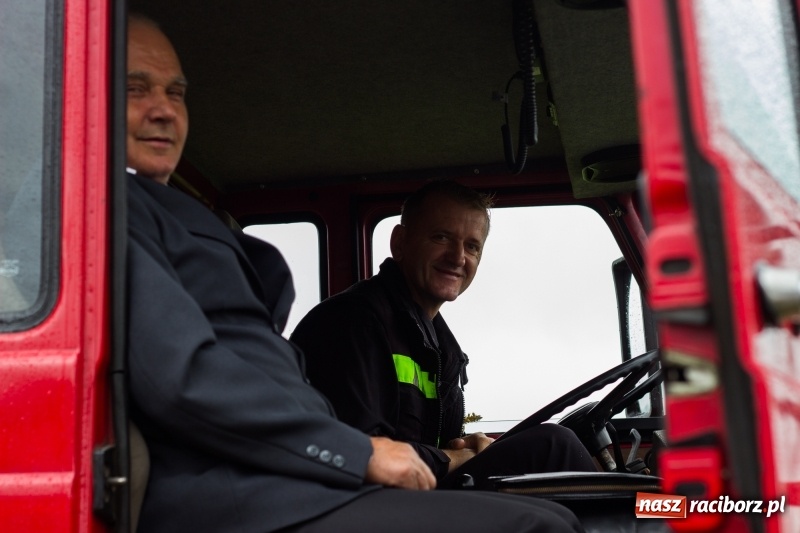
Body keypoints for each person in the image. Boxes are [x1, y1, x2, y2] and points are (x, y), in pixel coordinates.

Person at [123, 13, 585, 533]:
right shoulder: (110, 217)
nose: (164, 110)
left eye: (176, 93)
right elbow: (182, 377)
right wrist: (354, 451)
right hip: (252, 493)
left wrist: (457, 449)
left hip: (298, 478)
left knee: (556, 481)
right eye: (136, 89)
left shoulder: (171, 218)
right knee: (545, 524)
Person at [291, 180, 597, 491]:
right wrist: (454, 457)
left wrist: (466, 445)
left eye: (472, 246)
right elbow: (360, 456)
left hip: (418, 495)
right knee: (554, 445)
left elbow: (436, 446)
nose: (458, 257)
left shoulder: (442, 348)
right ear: (400, 242)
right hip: (360, 503)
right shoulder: (352, 322)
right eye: (441, 237)